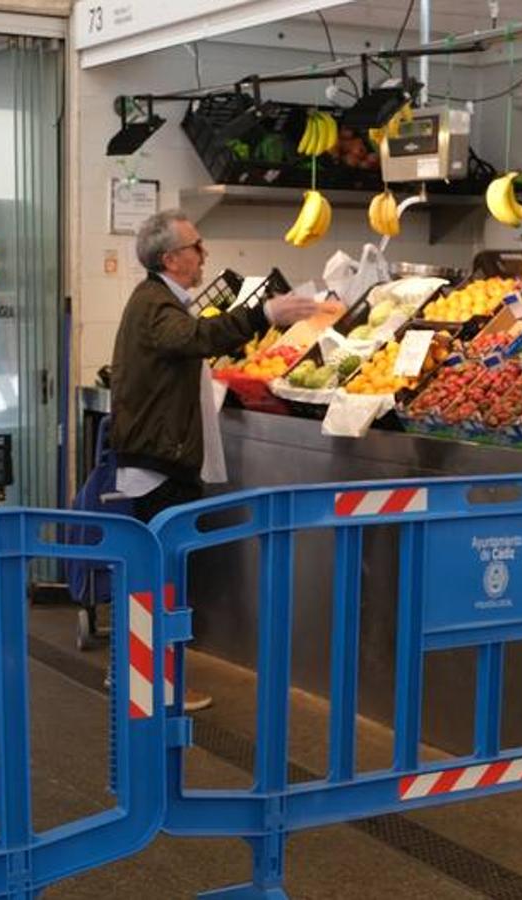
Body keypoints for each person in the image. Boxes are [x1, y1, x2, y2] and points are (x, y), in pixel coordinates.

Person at [110, 209, 319, 711]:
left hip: (158, 460)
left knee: (156, 579)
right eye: (196, 247)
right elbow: (195, 339)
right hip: (160, 467)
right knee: (162, 581)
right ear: (171, 258)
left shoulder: (157, 300)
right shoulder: (157, 305)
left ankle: (142, 680)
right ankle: (153, 688)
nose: (204, 255)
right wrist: (263, 315)